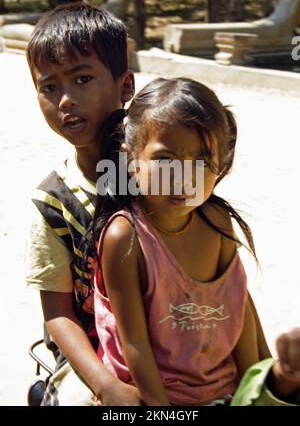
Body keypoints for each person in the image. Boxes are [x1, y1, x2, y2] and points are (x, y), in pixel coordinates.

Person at [86, 77, 300, 406]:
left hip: (222, 393)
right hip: (153, 398)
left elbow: (237, 313)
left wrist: (256, 391)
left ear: (221, 163)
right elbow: (135, 347)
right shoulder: (124, 237)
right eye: (165, 160)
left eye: (201, 162)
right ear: (131, 159)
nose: (184, 178)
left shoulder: (217, 223)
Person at [25, 2, 142, 406]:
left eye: (83, 78)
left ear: (125, 86)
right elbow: (57, 315)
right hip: (95, 354)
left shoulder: (164, 176)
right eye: (50, 86)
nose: (66, 100)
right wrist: (106, 386)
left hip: (172, 336)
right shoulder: (54, 200)